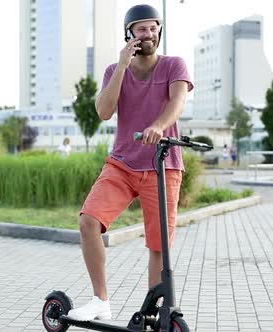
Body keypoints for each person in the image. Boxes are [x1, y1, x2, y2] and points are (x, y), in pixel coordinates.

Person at [66, 4, 193, 321]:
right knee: (88, 222)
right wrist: (122, 67)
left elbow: (177, 101)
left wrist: (158, 127)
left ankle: (153, 314)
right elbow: (104, 111)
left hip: (163, 165)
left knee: (158, 246)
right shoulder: (114, 71)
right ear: (129, 34)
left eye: (152, 28)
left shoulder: (173, 66)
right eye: (140, 29)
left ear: (158, 32)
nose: (147, 34)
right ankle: (100, 302)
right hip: (121, 164)